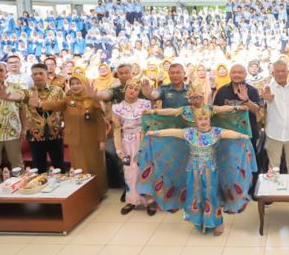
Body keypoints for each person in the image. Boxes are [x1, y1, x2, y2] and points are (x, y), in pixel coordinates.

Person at [143, 107, 254, 235]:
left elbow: (231, 134)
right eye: (200, 119)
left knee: (211, 195)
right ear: (195, 120)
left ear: (209, 119)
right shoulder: (188, 132)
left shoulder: (217, 132)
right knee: (195, 194)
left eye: (205, 118)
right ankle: (200, 221)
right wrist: (155, 133)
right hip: (193, 170)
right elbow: (171, 132)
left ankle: (217, 222)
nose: (203, 121)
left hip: (211, 171)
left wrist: (242, 136)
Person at [29, 74, 108, 198]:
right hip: (74, 141)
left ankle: (98, 192)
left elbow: (100, 120)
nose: (75, 86)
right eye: (72, 84)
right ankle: (84, 194)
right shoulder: (68, 100)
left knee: (95, 166)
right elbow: (54, 104)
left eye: (78, 83)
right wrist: (39, 104)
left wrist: (102, 140)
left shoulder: (93, 99)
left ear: (84, 84)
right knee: (79, 168)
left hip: (92, 140)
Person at [112, 79, 154, 215]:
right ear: (125, 89)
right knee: (129, 172)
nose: (133, 91)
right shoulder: (117, 108)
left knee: (146, 171)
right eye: (130, 87)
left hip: (144, 141)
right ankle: (132, 201)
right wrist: (119, 150)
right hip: (127, 143)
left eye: (136, 89)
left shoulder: (145, 104)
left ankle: (150, 202)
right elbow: (117, 130)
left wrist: (144, 144)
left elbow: (151, 124)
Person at [21, 63, 65, 173]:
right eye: (35, 74)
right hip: (35, 135)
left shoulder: (57, 90)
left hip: (55, 133)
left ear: (46, 74)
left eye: (41, 73)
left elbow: (64, 107)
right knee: (39, 167)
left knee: (59, 165)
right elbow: (17, 98)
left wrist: (64, 123)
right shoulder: (27, 93)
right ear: (31, 76)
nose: (38, 76)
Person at [263, 60, 289, 174]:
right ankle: (273, 191)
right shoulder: (268, 88)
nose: (280, 74)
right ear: (273, 73)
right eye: (277, 71)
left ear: (287, 72)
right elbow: (262, 108)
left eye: (283, 71)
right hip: (273, 133)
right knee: (273, 167)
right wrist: (266, 99)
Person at [213, 64, 262, 149]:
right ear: (230, 74)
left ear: (245, 75)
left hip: (248, 135)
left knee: (248, 161)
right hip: (227, 135)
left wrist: (247, 100)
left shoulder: (252, 91)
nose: (237, 75)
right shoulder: (222, 91)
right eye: (234, 72)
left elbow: (256, 110)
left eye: (240, 72)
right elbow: (215, 111)